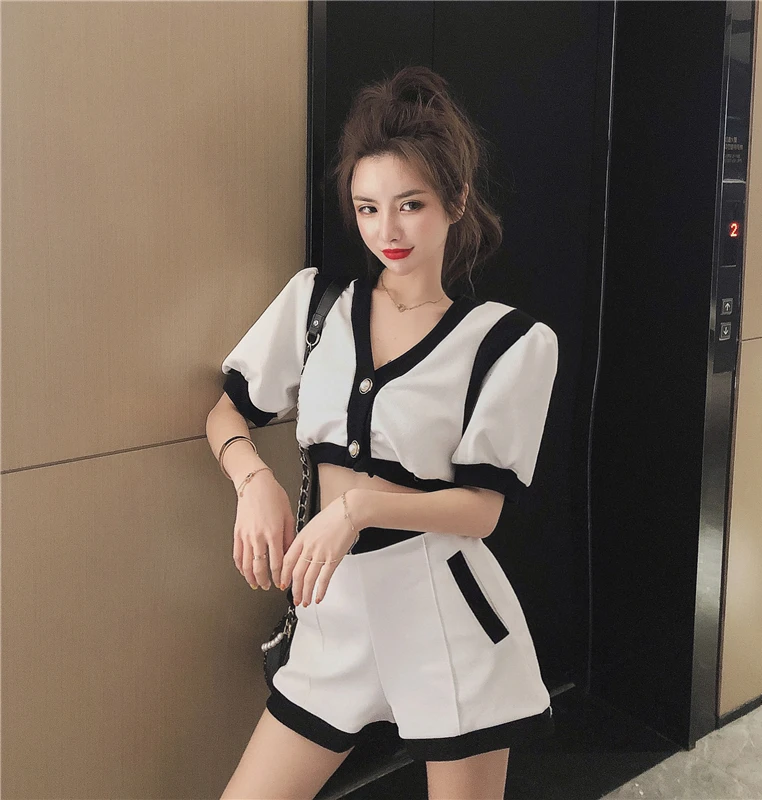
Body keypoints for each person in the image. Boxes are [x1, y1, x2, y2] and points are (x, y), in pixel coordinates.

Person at [207, 65, 558, 800]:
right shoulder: (317, 306)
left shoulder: (508, 343)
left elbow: (481, 511)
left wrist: (358, 508)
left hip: (445, 622)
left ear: (456, 201)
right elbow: (226, 411)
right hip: (330, 614)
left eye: (410, 205)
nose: (386, 231)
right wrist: (253, 480)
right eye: (368, 208)